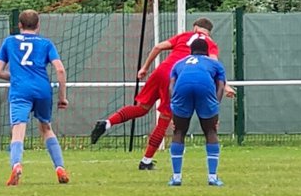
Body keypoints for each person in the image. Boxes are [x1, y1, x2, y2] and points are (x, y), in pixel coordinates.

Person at [90, 18, 226, 169]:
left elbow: (158, 47)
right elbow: (214, 64)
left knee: (141, 108)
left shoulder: (184, 36)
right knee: (164, 119)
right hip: (175, 77)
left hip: (160, 71)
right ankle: (146, 161)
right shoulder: (210, 43)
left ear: (195, 28)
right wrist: (225, 86)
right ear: (208, 32)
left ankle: (107, 123)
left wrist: (144, 68)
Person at [0, 9, 69, 186]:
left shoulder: (9, 42)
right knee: (46, 128)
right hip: (43, 90)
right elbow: (60, 70)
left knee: (18, 130)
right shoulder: (46, 43)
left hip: (20, 90)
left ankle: (17, 165)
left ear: (19, 25)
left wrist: (18, 77)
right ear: (38, 25)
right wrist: (62, 97)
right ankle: (60, 167)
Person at [167, 37, 226, 186]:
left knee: (179, 131)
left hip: (182, 88)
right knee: (211, 131)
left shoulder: (179, 64)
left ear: (190, 51)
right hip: (204, 87)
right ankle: (212, 177)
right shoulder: (214, 64)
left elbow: (171, 86)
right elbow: (220, 86)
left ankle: (176, 177)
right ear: (206, 52)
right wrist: (215, 107)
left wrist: (174, 107)